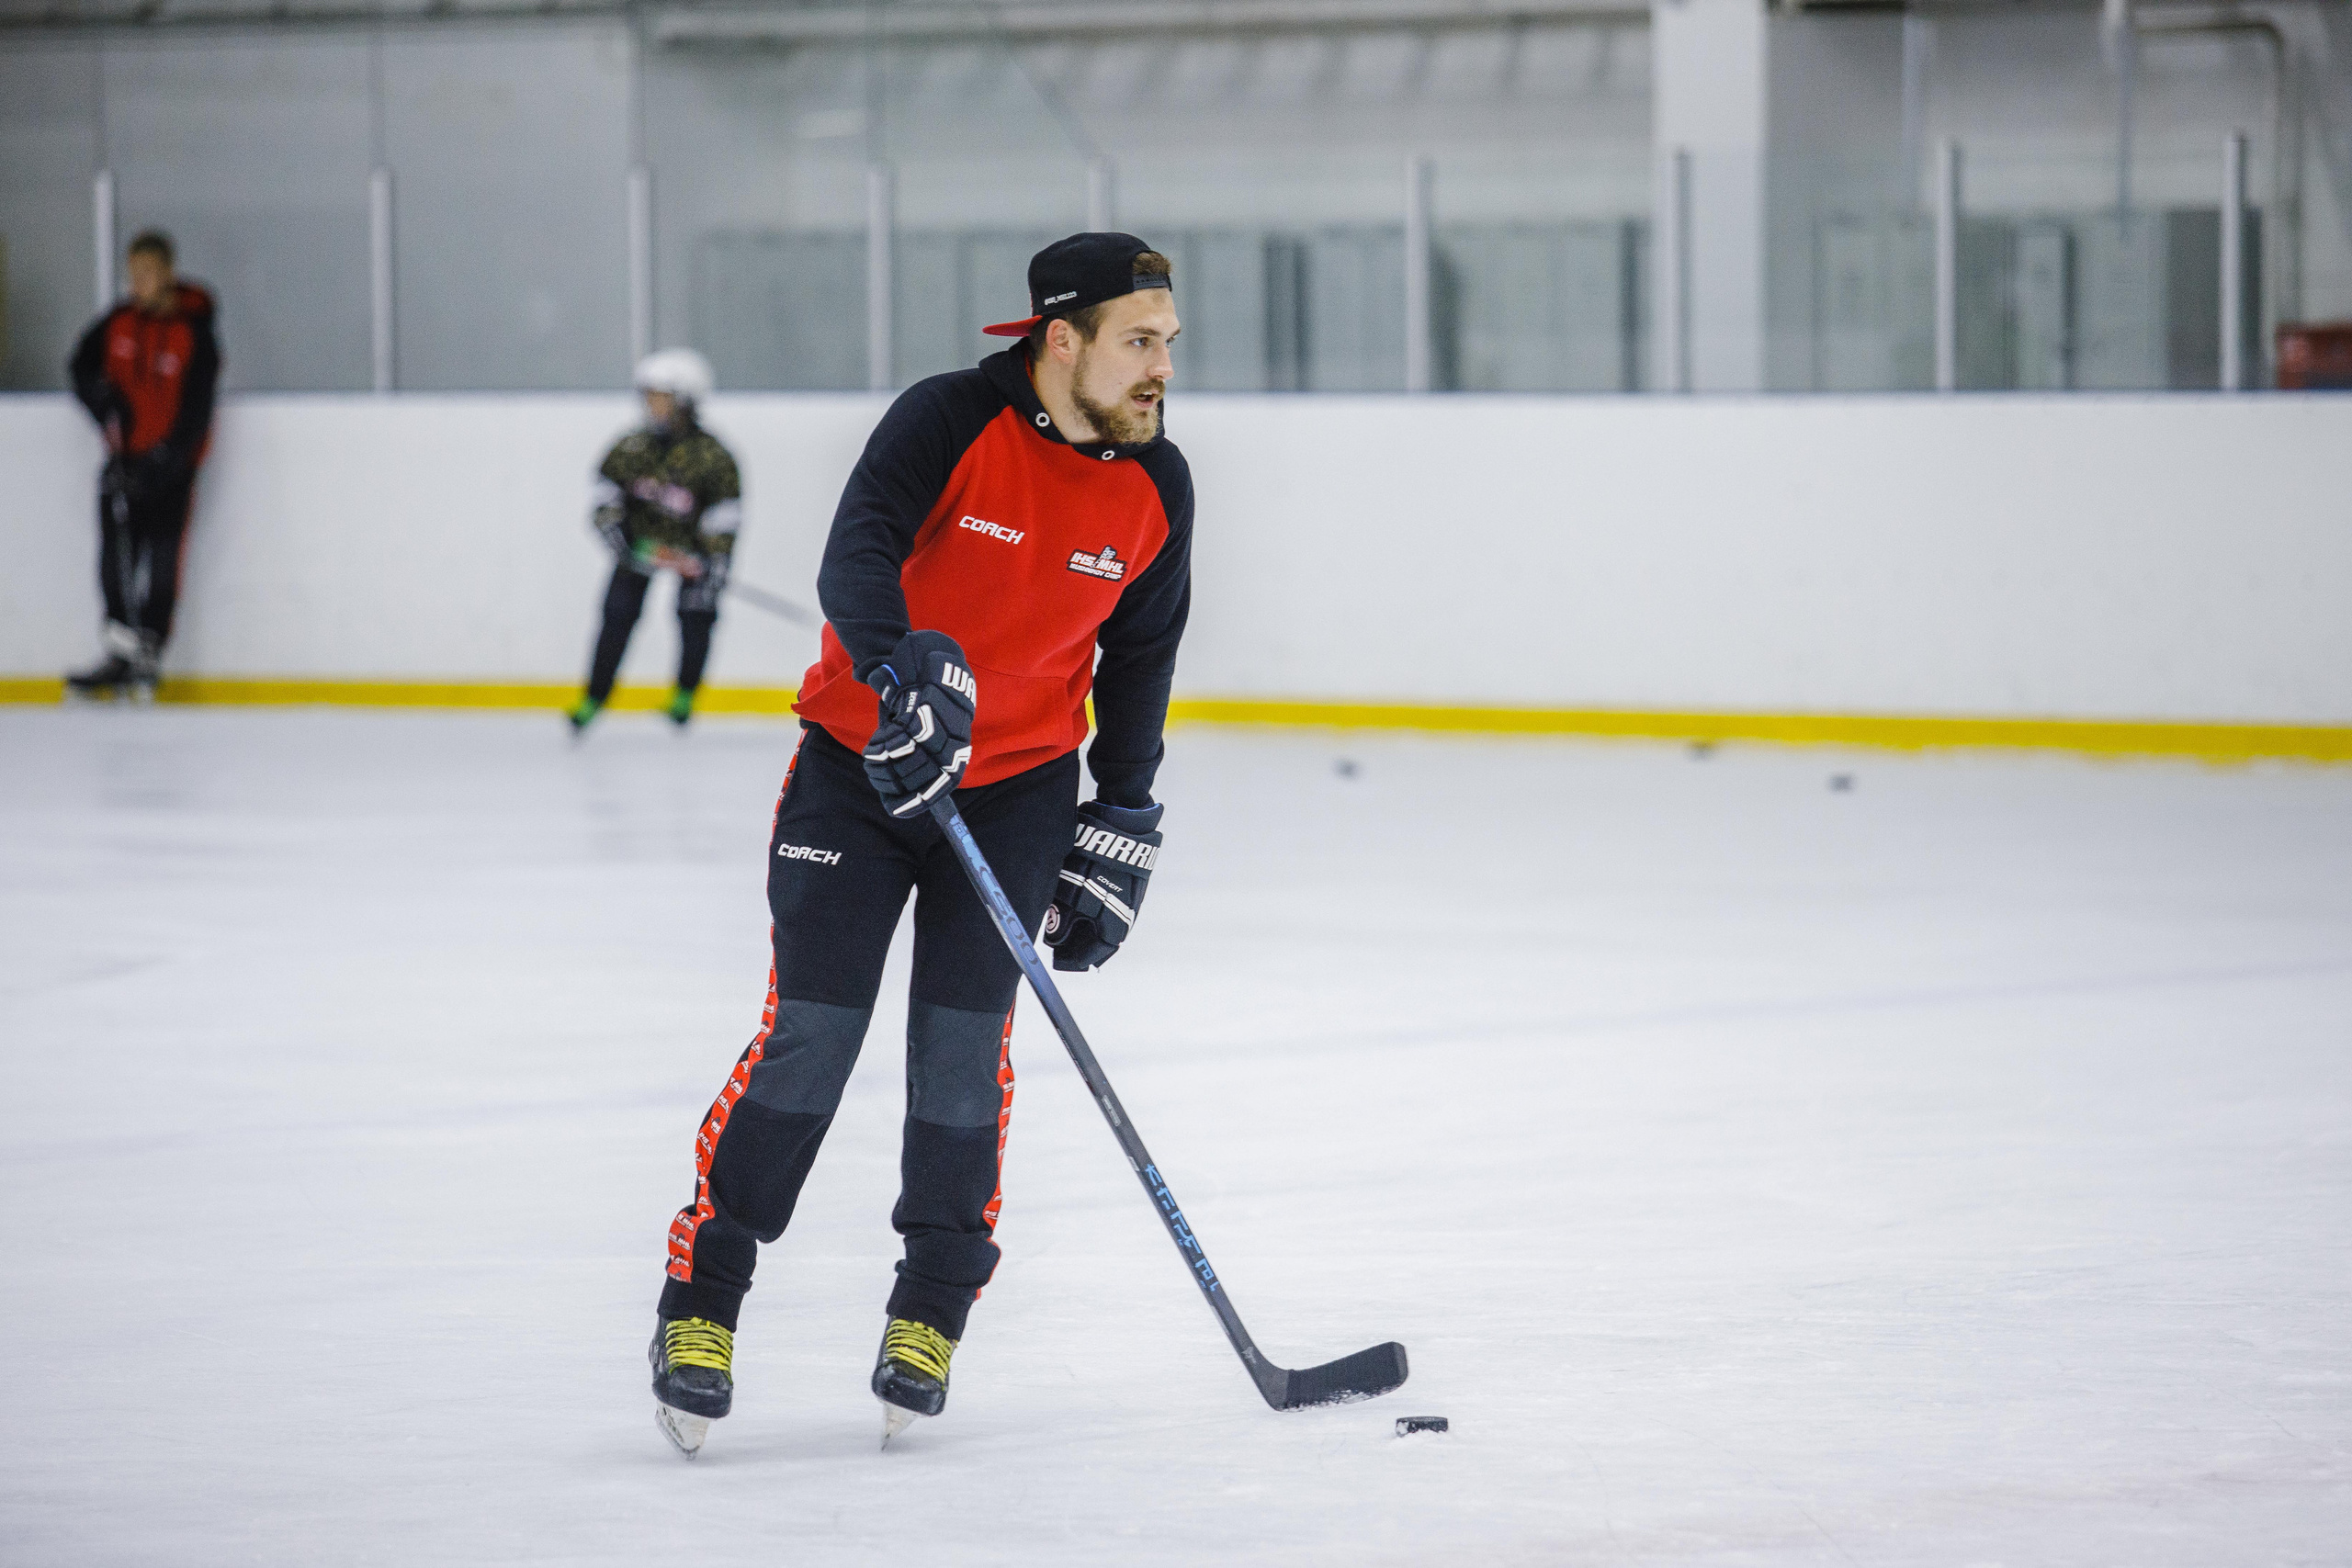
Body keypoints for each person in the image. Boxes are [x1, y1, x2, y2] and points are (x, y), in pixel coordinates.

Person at [646, 233, 1193, 1456]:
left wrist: (1125, 814)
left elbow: (1141, 661)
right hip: (860, 771)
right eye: (1138, 340)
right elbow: (860, 549)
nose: (1163, 365)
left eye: (1168, 340)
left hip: (1016, 794)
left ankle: (929, 1312)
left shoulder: (1161, 487)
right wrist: (900, 672)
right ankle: (703, 1300)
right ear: (1063, 339)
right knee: (814, 1035)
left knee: (960, 1050)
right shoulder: (950, 419)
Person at [64, 230, 221, 700]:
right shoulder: (118, 323)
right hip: (123, 459)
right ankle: (118, 644)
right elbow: (80, 367)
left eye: (150, 274)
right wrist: (102, 404)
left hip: (171, 467)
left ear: (169, 274)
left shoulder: (193, 333)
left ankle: (149, 646)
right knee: (115, 549)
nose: (140, 283)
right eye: (134, 274)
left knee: (161, 553)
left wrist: (169, 460)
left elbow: (198, 409)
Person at [568, 349, 742, 733]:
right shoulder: (633, 447)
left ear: (685, 400)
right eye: (648, 397)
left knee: (696, 618)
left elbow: (725, 513)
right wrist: (615, 533)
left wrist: (715, 559)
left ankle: (684, 696)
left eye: (660, 397)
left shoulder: (712, 456)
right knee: (616, 617)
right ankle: (593, 697)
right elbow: (603, 492)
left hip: (690, 552)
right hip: (639, 548)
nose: (652, 406)